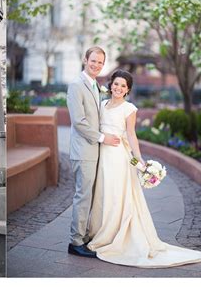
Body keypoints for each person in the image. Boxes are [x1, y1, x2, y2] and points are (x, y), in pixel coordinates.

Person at [87, 69, 201, 267]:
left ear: (128, 90)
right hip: (101, 155)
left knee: (116, 196)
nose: (118, 88)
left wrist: (139, 160)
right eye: (116, 84)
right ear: (110, 84)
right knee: (102, 194)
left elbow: (131, 135)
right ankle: (99, 231)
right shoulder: (102, 104)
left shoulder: (129, 108)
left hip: (118, 157)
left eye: (123, 86)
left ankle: (113, 235)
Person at [66, 46, 121, 258]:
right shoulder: (76, 86)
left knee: (92, 196)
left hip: (96, 151)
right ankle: (75, 241)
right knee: (83, 196)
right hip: (84, 151)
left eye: (100, 62)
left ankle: (87, 235)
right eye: (93, 61)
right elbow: (79, 122)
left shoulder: (95, 85)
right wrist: (102, 138)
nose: (96, 65)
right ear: (85, 59)